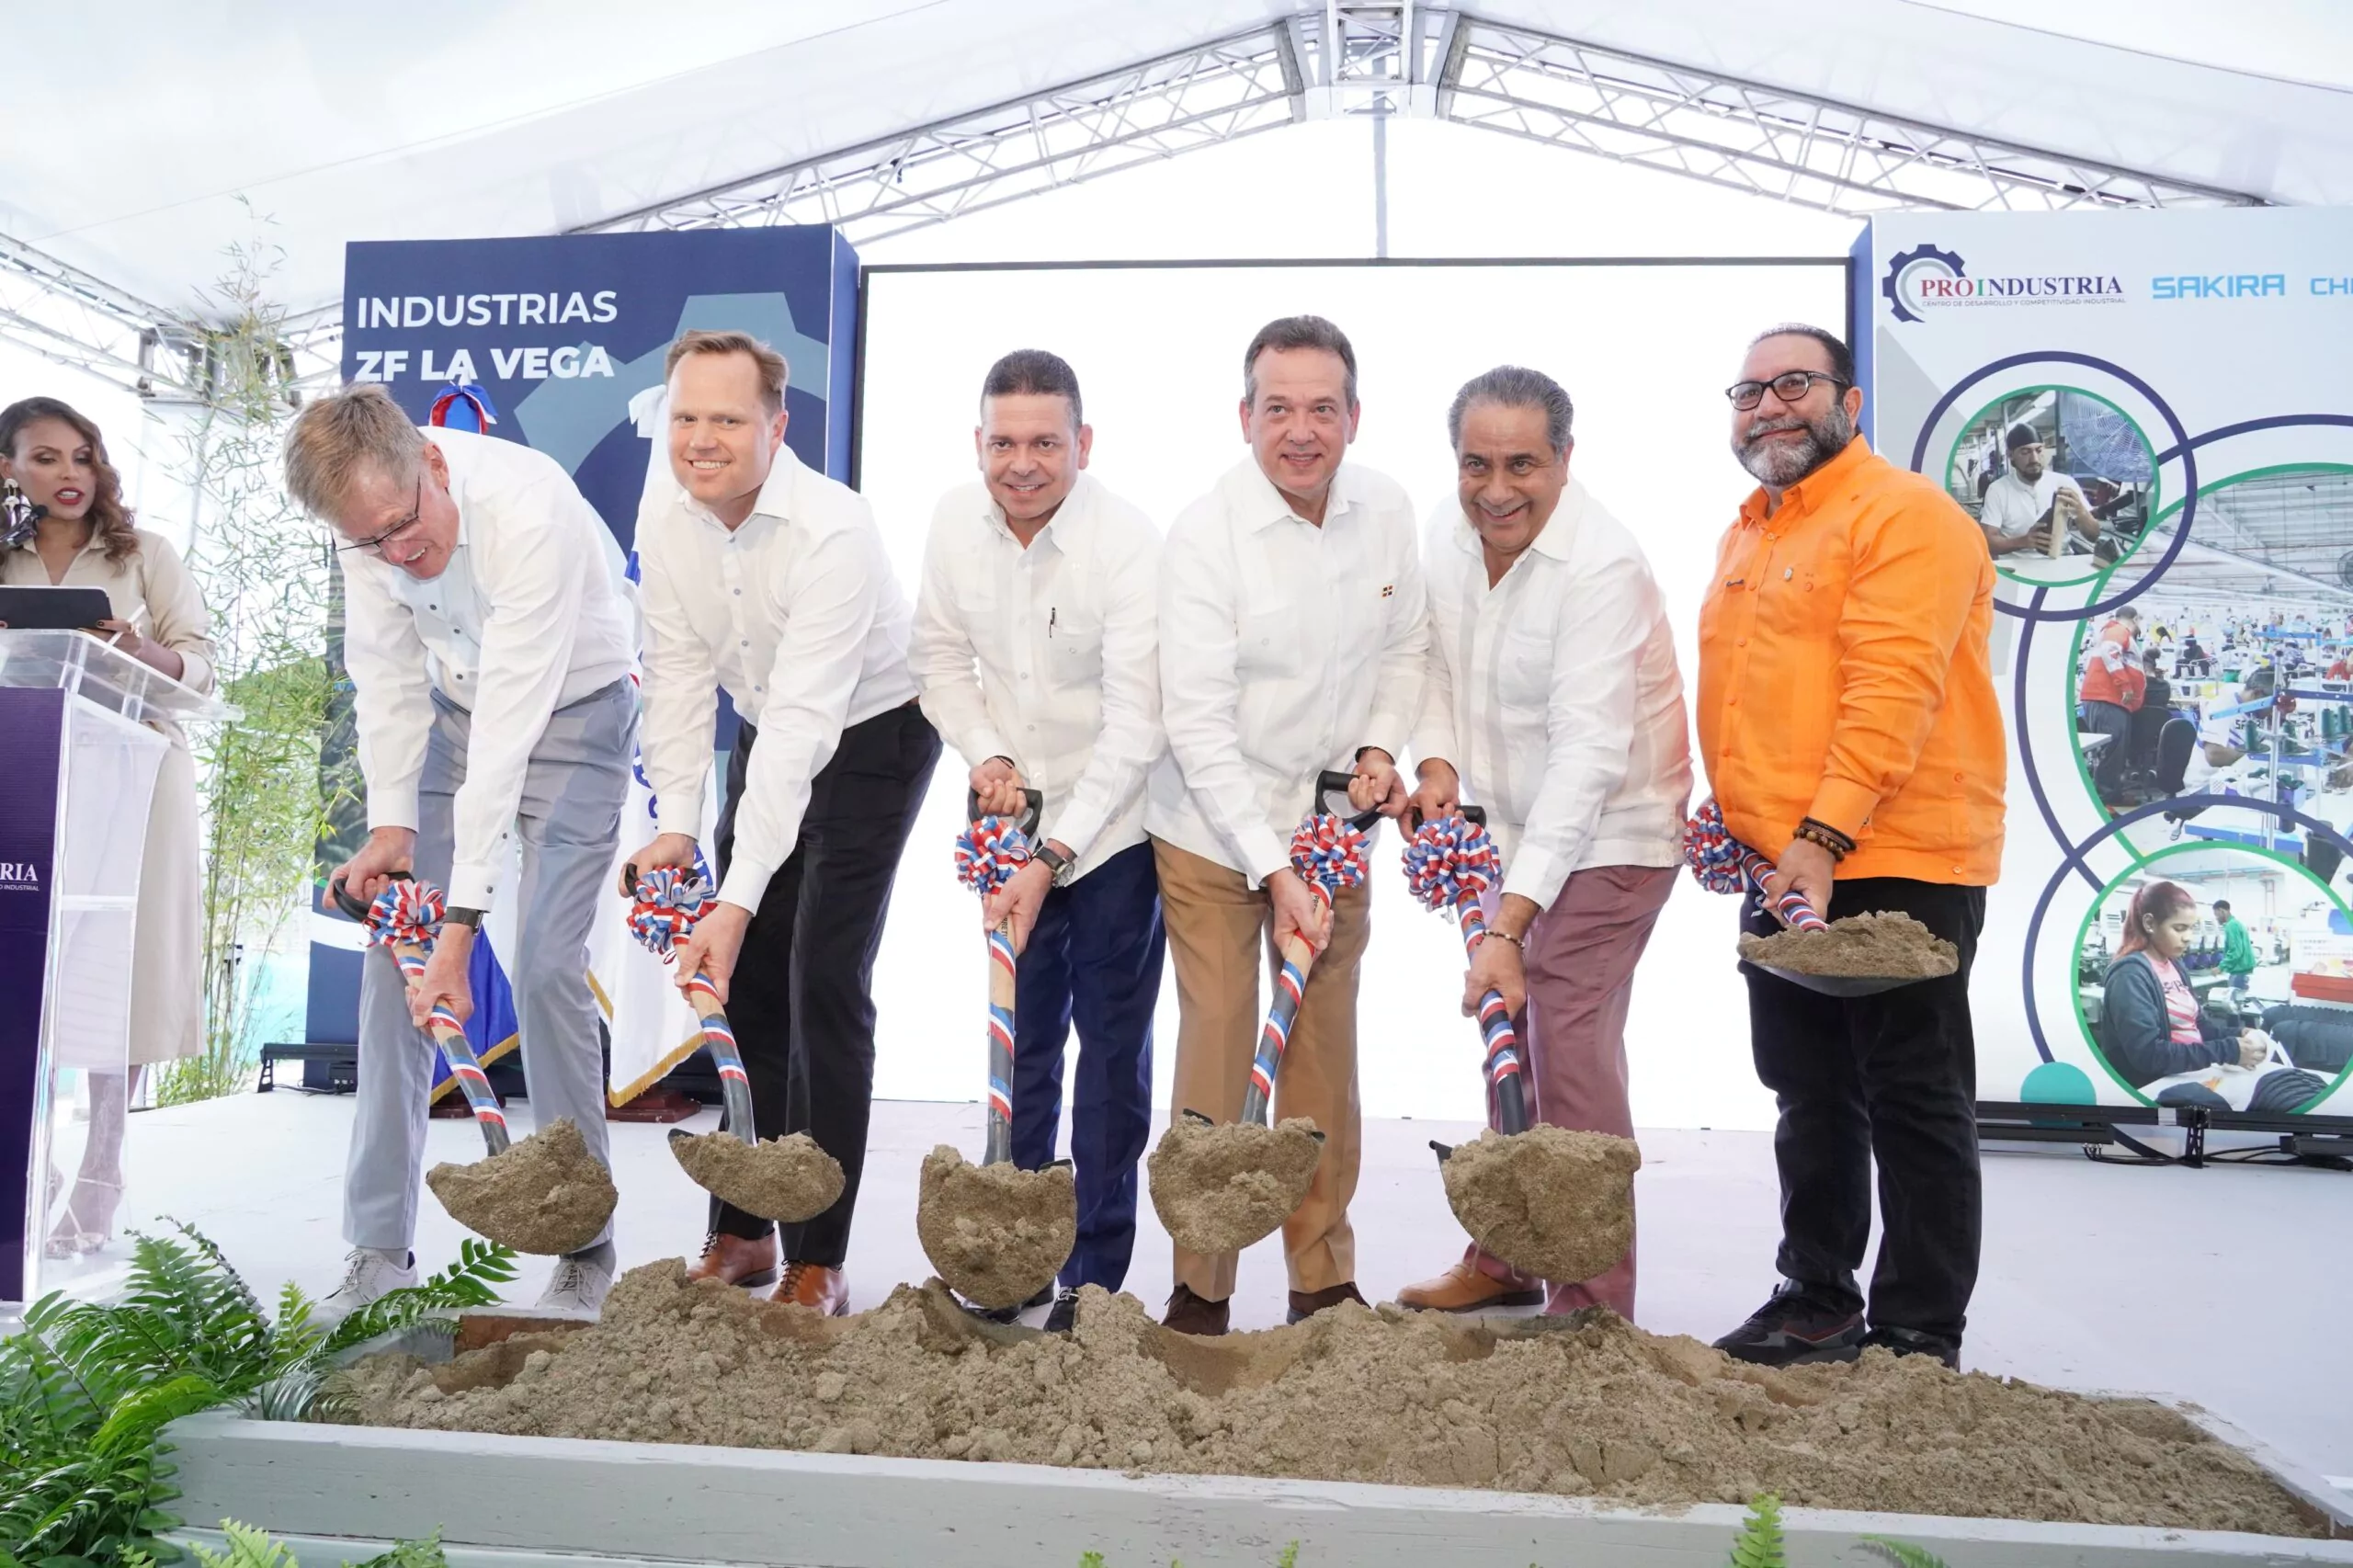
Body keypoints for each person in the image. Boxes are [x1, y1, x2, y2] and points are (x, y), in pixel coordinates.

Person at [284, 382, 637, 1321]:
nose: (398, 554)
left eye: (405, 526)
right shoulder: (366, 523)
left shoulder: (529, 506)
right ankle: (376, 1249)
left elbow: (509, 739)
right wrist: (393, 826)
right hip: (452, 711)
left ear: (434, 464)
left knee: (547, 965)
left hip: (575, 714)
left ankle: (584, 1248)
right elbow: (385, 676)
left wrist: (461, 927)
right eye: (371, 542)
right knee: (394, 960)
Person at [1699, 324, 2003, 1371]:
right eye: (1748, 392)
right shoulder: (1749, 532)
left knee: (1912, 1092)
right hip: (1783, 864)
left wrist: (1825, 834)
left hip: (1894, 856)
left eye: (1794, 383)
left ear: (1850, 401)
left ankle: (1917, 1333)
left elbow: (1892, 690)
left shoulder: (1905, 516)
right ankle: (1816, 1297)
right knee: (1808, 1088)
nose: (1768, 405)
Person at [629, 329, 939, 1316]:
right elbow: (678, 675)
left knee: (822, 981)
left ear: (777, 426)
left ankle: (819, 1254)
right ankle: (744, 1230)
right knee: (749, 985)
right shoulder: (666, 517)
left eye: (727, 419)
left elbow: (808, 723)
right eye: (686, 417)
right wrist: (680, 824)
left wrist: (732, 900)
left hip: (873, 735)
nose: (701, 439)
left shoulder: (834, 530)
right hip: (769, 729)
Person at [1148, 314, 1428, 1335]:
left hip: (1334, 833)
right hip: (1214, 832)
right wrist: (1274, 873)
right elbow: (1197, 726)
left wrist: (1381, 748)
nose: (1300, 431)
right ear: (1244, 417)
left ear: (1354, 415)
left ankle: (1321, 1278)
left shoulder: (1386, 508)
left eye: (1322, 408)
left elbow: (1406, 648)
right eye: (1279, 409)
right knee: (1222, 1044)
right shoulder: (1204, 536)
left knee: (1320, 1054)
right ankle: (1201, 1284)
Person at [1395, 367, 1689, 1323]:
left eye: (1521, 464)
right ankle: (1508, 1255)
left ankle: (1593, 1299)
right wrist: (1436, 764)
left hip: (1613, 831)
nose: (1495, 490)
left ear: (1565, 459)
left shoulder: (1602, 568)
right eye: (1475, 464)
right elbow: (1431, 665)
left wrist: (1507, 927)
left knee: (1563, 1038)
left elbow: (1587, 757)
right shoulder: (1447, 535)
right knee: (1507, 1029)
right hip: (1511, 828)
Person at [909, 349, 1166, 1333]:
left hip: (1110, 833)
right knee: (1017, 1046)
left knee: (1109, 1057)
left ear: (1082, 443)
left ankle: (1090, 1279)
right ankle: (1012, 1257)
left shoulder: (1127, 544)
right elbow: (938, 659)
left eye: (1045, 443)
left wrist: (1051, 854)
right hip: (1005, 813)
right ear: (978, 442)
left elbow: (1137, 724)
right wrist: (987, 754)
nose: (1022, 463)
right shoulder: (951, 523)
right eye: (1004, 442)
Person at [2, 398, 215, 1258]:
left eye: (82, 456)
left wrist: (137, 648)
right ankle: (29, 1162)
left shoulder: (145, 554)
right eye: (46, 457)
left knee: (118, 967)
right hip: (23, 775)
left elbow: (201, 668)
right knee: (23, 967)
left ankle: (100, 1167)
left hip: (134, 773)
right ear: (7, 468)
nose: (69, 474)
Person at [2100, 882, 2267, 1096]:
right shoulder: (2129, 975)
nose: (2188, 937)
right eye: (2179, 928)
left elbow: (2199, 1027)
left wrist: (2238, 1035)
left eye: (2191, 928)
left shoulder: (2175, 965)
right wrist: (2227, 1050)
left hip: (2188, 1074)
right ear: (2150, 923)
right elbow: (2148, 1055)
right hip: (2152, 1087)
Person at [1978, 424, 2096, 558]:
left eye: (2038, 450)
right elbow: (1987, 541)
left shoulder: (2065, 483)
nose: (2034, 459)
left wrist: (2082, 513)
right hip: (2018, 565)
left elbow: (2094, 536)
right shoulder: (1998, 490)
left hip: (2062, 561)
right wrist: (2022, 542)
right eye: (2025, 452)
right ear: (2011, 455)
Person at [2078, 608, 2143, 805]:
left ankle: (2112, 795)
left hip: (2110, 700)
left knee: (2114, 751)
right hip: (2107, 698)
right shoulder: (2118, 630)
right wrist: (2125, 684)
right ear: (2135, 619)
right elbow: (2109, 650)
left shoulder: (2113, 631)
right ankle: (2105, 800)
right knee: (2111, 751)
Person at [2214, 899, 2257, 998]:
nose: (2216, 918)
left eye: (2217, 915)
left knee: (2234, 1002)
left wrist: (2221, 967)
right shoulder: (2237, 923)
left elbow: (2236, 951)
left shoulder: (2231, 925)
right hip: (2244, 970)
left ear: (2222, 911)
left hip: (2238, 972)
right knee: (2242, 1001)